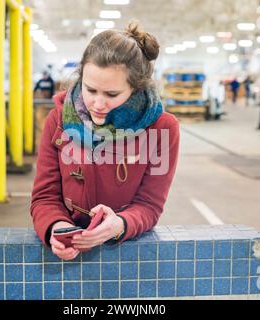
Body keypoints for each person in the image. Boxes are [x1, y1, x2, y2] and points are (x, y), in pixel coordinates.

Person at [30, 21, 180, 261]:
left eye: (112, 94)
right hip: (66, 255)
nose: (98, 105)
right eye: (90, 90)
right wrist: (55, 228)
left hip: (126, 251)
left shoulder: (162, 129)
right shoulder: (58, 120)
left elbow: (149, 205)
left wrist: (119, 224)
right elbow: (44, 196)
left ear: (136, 87)